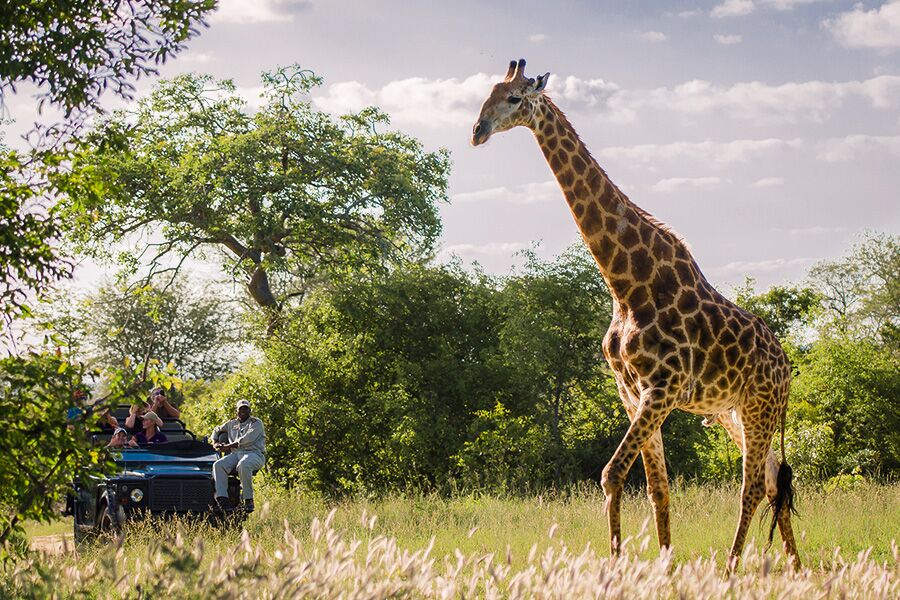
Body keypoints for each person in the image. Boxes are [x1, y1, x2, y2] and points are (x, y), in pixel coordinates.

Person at [210, 399, 265, 512]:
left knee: (243, 465)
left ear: (250, 410)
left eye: (246, 408)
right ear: (237, 411)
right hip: (236, 454)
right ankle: (222, 500)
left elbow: (246, 440)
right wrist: (215, 442)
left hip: (254, 454)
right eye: (241, 409)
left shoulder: (256, 423)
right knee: (218, 465)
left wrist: (227, 447)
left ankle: (248, 500)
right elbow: (216, 430)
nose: (243, 411)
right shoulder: (231, 424)